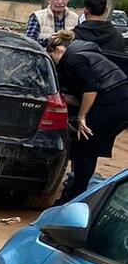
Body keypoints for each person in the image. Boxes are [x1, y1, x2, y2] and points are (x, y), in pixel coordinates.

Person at [47, 32, 128, 201]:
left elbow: (91, 90)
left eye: (51, 57)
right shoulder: (84, 51)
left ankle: (74, 197)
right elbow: (82, 96)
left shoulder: (72, 59)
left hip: (112, 102)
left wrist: (82, 117)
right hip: (118, 100)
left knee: (84, 149)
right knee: (87, 149)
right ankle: (77, 192)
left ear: (57, 50)